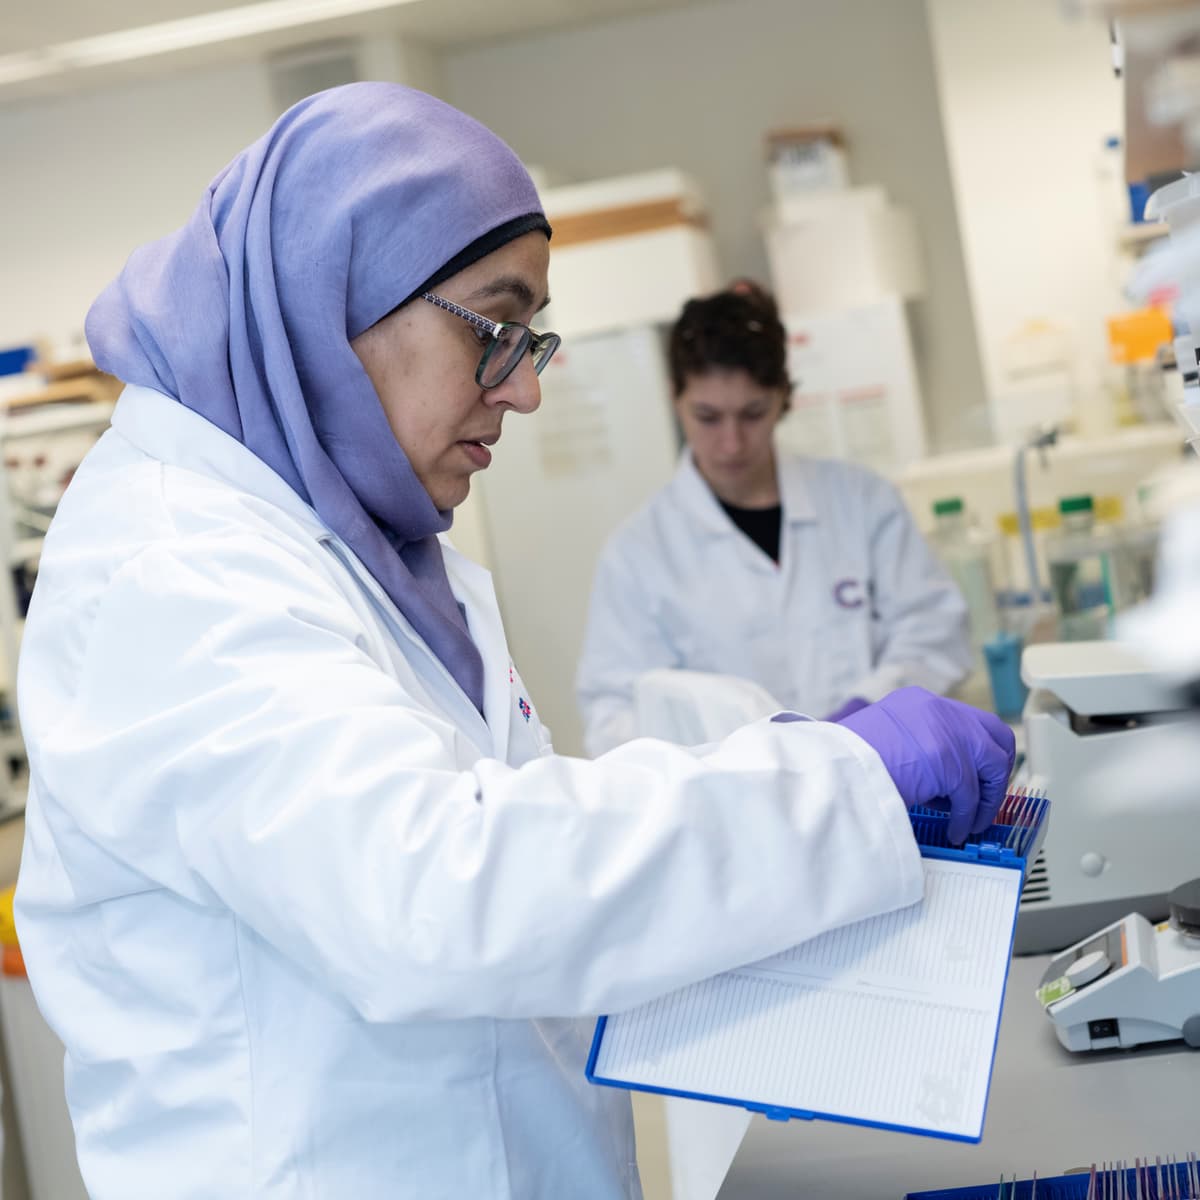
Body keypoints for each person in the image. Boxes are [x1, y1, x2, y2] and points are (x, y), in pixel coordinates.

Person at [13, 84, 1012, 1200]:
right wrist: (834, 787)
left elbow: (528, 844)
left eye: (533, 340)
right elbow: (440, 892)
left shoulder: (351, 545)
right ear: (337, 298)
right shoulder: (178, 569)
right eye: (498, 329)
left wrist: (759, 784)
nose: (527, 388)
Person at [577, 283, 973, 757]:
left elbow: (935, 634)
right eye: (707, 416)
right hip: (735, 809)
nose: (731, 443)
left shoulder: (862, 502)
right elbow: (613, 717)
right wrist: (725, 763)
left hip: (875, 773)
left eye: (752, 414)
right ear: (674, 398)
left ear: (783, 397)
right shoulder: (638, 554)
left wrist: (864, 718)